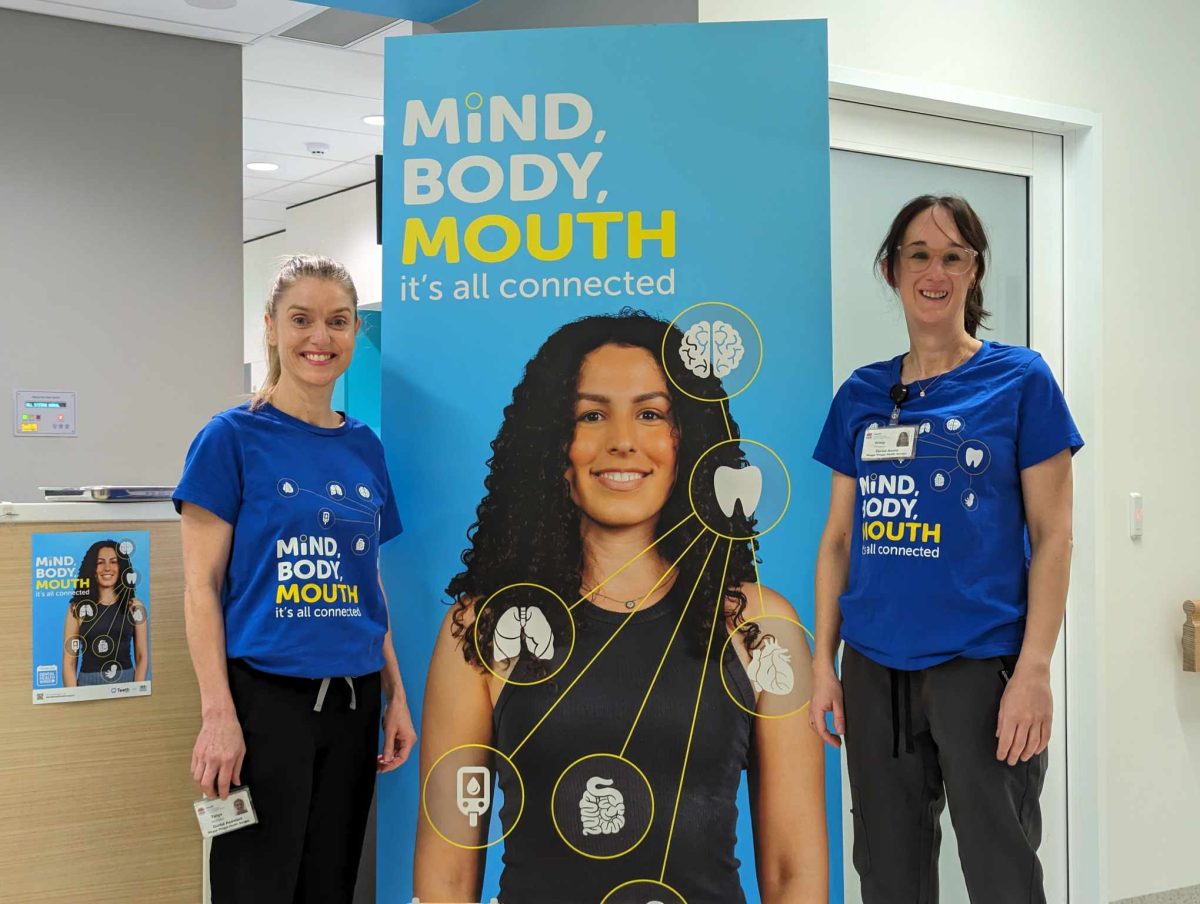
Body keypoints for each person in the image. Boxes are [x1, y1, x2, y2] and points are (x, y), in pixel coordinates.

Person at [415, 311, 826, 904]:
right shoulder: (483, 629)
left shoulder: (761, 628)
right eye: (591, 414)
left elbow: (795, 872)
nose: (623, 440)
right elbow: (446, 878)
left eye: (651, 413)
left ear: (689, 437)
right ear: (552, 442)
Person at [810, 196, 1083, 904]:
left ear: (974, 271)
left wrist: (1034, 672)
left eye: (953, 255)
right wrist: (822, 663)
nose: (936, 271)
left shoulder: (1021, 381)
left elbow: (1054, 536)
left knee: (1001, 872)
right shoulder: (862, 395)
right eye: (920, 255)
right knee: (888, 874)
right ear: (892, 270)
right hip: (874, 667)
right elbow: (839, 538)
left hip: (980, 668)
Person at [174, 254, 417, 904]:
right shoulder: (230, 438)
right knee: (256, 887)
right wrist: (218, 716)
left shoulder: (364, 445)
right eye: (302, 319)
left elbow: (367, 580)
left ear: (354, 335)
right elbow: (200, 588)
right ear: (272, 328)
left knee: (328, 887)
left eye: (338, 321)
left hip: (354, 703)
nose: (321, 338)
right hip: (265, 706)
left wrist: (395, 691)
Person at [62, 540, 148, 686]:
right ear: (92, 569)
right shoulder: (77, 609)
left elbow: (142, 656)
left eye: (113, 562)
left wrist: (138, 691)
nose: (107, 568)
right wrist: (73, 697)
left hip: (127, 683)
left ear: (121, 568)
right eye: (100, 562)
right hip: (87, 684)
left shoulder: (134, 607)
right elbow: (69, 662)